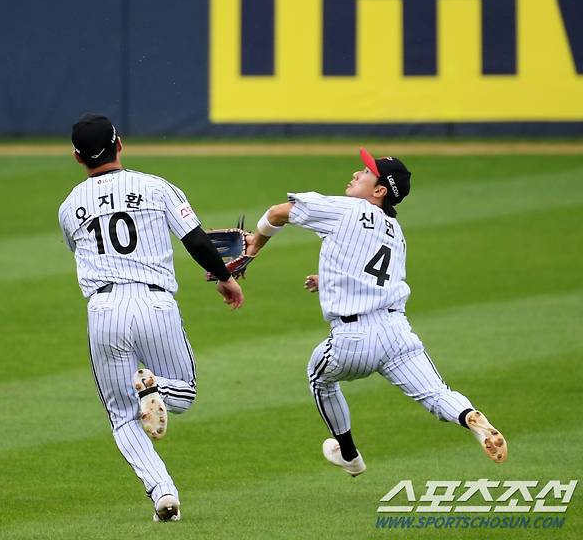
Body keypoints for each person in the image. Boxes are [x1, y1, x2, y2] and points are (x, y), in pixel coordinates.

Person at [246, 148, 507, 476]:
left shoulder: (348, 208)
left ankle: (350, 454)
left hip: (354, 339)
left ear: (379, 191)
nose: (357, 173)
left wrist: (255, 245)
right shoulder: (395, 234)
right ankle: (468, 416)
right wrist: (326, 280)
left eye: (366, 172)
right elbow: (372, 277)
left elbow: (277, 213)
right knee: (437, 394)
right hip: (398, 334)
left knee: (319, 377)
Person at [58, 113, 243, 522]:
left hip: (103, 311)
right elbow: (195, 239)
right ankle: (155, 387)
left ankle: (162, 491)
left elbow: (85, 251)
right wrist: (226, 278)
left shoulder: (69, 207)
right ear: (119, 144)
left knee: (123, 416)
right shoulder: (155, 186)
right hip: (155, 304)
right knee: (185, 393)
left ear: (77, 157)